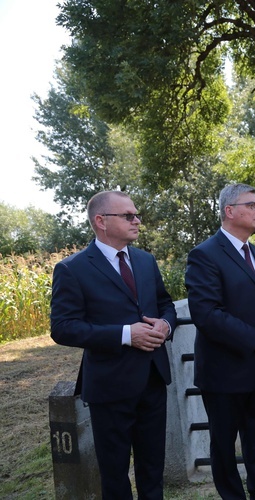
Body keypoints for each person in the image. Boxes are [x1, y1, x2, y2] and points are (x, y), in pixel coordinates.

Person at [50, 191, 176, 499]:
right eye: (129, 216)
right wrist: (125, 334)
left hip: (153, 379)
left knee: (152, 469)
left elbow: (165, 304)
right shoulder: (72, 268)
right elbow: (63, 328)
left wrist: (166, 324)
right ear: (101, 221)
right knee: (115, 476)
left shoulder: (145, 260)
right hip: (110, 385)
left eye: (136, 214)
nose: (137, 221)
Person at [185, 183, 255, 500]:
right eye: (252, 205)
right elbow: (207, 313)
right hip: (224, 372)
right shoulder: (204, 255)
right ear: (230, 211)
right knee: (224, 445)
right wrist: (254, 338)